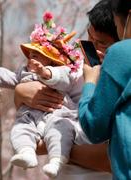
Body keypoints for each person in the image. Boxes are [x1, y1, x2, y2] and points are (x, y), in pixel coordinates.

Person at [0, 12, 90, 178]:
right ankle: (26, 153)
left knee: (61, 131)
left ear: (51, 60)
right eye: (30, 55)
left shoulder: (59, 72)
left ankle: (57, 160)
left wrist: (45, 73)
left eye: (37, 55)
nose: (31, 59)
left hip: (57, 115)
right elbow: (9, 78)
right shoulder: (23, 73)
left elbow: (64, 78)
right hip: (30, 117)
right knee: (19, 129)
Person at [14, 0, 118, 174]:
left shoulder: (119, 81)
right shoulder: (75, 65)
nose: (92, 48)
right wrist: (20, 93)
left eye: (102, 44)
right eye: (89, 38)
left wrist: (60, 144)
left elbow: (111, 159)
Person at [78, 0, 131, 179]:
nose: (93, 48)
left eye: (102, 44)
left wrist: (90, 83)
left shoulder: (121, 52)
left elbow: (94, 127)